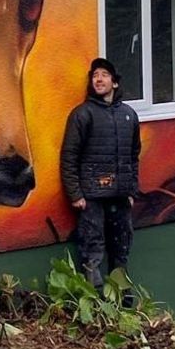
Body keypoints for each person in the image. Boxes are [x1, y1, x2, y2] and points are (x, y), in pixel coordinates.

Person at [60, 57, 141, 289]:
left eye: (104, 74)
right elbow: (69, 156)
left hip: (121, 195)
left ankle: (122, 301)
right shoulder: (82, 115)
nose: (98, 79)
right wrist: (75, 194)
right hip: (92, 197)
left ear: (114, 83)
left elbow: (134, 155)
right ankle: (96, 307)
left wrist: (131, 190)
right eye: (95, 75)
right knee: (92, 252)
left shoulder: (129, 115)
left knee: (121, 248)